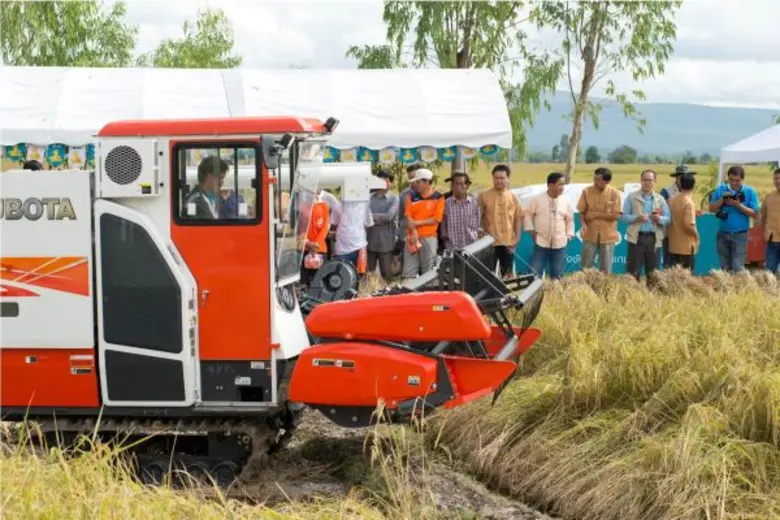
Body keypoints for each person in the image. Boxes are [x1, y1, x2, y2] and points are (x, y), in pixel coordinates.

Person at [620, 169, 671, 282]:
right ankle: (632, 295)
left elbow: (668, 219)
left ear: (655, 182)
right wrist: (636, 218)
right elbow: (623, 217)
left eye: (650, 180)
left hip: (654, 238)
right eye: (645, 179)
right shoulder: (631, 197)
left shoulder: (660, 199)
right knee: (633, 271)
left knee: (653, 273)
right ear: (641, 181)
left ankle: (652, 297)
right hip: (636, 238)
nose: (647, 182)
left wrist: (659, 219)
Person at [707, 165, 760, 272]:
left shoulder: (750, 192)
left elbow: (755, 214)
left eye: (737, 181)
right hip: (723, 233)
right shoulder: (721, 189)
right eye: (731, 180)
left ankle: (737, 287)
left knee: (737, 266)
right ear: (728, 178)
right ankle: (727, 287)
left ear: (743, 179)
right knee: (724, 266)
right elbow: (711, 209)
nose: (734, 183)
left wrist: (738, 204)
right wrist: (722, 200)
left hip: (740, 234)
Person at [524, 172, 574, 280]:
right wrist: (531, 230)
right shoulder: (537, 199)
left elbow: (570, 220)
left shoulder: (566, 201)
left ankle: (554, 296)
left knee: (557, 277)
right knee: (534, 275)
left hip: (560, 245)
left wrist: (569, 235)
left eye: (563, 185)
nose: (562, 187)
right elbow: (527, 214)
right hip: (541, 243)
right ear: (550, 185)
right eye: (560, 184)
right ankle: (534, 295)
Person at [478, 164, 524, 277]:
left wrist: (516, 239)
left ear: (507, 179)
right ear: (492, 178)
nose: (499, 181)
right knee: (488, 275)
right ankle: (491, 294)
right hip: (489, 243)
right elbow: (477, 218)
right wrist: (480, 236)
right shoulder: (483, 196)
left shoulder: (513, 197)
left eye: (502, 178)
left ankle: (507, 294)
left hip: (508, 242)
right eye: (496, 178)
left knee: (508, 275)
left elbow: (517, 219)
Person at [577, 167, 622, 274]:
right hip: (589, 234)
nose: (595, 182)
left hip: (607, 235)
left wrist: (595, 215)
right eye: (595, 179)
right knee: (585, 266)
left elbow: (616, 216)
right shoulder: (586, 191)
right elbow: (582, 212)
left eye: (599, 180)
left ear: (607, 181)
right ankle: (584, 288)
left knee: (606, 268)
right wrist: (583, 224)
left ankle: (603, 289)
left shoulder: (614, 193)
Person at [402, 168, 445, 279]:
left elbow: (436, 219)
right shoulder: (411, 197)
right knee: (409, 271)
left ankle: (427, 293)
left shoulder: (439, 197)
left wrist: (416, 223)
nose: (415, 185)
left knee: (428, 271)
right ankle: (409, 294)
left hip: (429, 238)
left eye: (418, 182)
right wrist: (414, 232)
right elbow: (408, 217)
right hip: (412, 238)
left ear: (427, 182)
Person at [366, 169, 400, 281]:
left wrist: (371, 218)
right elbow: (364, 215)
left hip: (386, 242)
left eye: (387, 181)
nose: (384, 183)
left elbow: (389, 216)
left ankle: (388, 296)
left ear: (391, 183)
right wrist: (379, 218)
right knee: (368, 274)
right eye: (381, 181)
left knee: (386, 273)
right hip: (369, 241)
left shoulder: (394, 198)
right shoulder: (368, 197)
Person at [660, 165, 696, 267]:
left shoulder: (688, 191)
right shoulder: (666, 192)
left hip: (685, 235)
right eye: (682, 177)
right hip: (670, 233)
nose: (685, 179)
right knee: (670, 263)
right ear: (677, 178)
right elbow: (661, 211)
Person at [331, 191, 374, 269]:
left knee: (343, 275)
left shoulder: (364, 204)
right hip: (344, 246)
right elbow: (368, 222)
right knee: (347, 275)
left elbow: (334, 222)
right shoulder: (339, 204)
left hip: (357, 246)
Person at [667, 173, 700, 271]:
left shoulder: (672, 200)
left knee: (674, 276)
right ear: (694, 185)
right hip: (686, 246)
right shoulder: (688, 202)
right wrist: (697, 235)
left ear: (680, 184)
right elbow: (688, 225)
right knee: (686, 277)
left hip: (673, 244)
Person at [441, 171, 481, 251]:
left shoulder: (474, 203)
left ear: (467, 185)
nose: (458, 187)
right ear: (452, 186)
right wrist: (446, 241)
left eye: (461, 184)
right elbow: (443, 225)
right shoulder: (446, 203)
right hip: (452, 247)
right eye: (456, 184)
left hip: (471, 247)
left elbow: (478, 224)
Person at [301, 190, 330, 286]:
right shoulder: (303, 207)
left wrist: (316, 244)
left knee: (319, 281)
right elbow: (299, 228)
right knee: (304, 281)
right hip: (305, 247)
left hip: (319, 248)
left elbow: (325, 227)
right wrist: (308, 243)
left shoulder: (323, 206)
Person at [758, 168, 780, 274]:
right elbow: (762, 215)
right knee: (769, 273)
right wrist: (764, 231)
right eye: (775, 178)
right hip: (772, 240)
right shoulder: (769, 197)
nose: (778, 181)